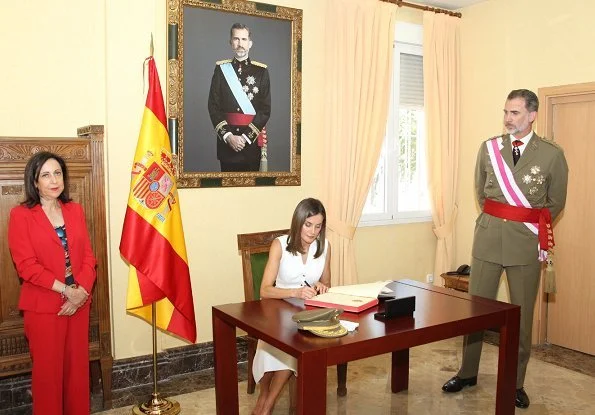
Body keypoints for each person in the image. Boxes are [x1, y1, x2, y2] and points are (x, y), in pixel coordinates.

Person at [442, 89, 569, 408]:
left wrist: (524, 223)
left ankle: (516, 382)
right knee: (476, 312)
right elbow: (481, 192)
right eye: (506, 112)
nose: (508, 119)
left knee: (520, 316)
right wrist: (502, 218)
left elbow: (556, 202)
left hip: (525, 243)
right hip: (487, 239)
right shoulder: (489, 149)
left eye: (514, 113)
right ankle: (468, 371)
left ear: (532, 115)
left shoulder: (551, 154)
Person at [8, 151, 97, 414]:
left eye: (57, 173)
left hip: (79, 304)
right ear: (34, 182)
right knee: (48, 378)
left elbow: (89, 257)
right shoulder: (21, 215)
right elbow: (26, 266)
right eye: (45, 175)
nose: (54, 180)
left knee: (77, 375)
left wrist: (80, 292)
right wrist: (67, 291)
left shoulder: (75, 210)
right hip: (45, 307)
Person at [252, 198, 331, 415]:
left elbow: (327, 284)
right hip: (276, 311)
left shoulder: (324, 247)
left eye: (318, 226)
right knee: (284, 343)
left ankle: (266, 405)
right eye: (308, 225)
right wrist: (294, 292)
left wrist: (321, 286)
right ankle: (264, 398)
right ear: (298, 222)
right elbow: (265, 290)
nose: (313, 231)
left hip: (308, 315)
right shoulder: (280, 245)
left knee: (295, 343)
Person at [208, 23, 271, 172]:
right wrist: (229, 136)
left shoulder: (261, 72)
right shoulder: (221, 70)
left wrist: (245, 138)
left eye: (244, 39)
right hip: (226, 145)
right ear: (231, 43)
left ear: (250, 43)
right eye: (236, 39)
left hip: (251, 145)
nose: (240, 44)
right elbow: (213, 106)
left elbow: (265, 110)